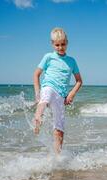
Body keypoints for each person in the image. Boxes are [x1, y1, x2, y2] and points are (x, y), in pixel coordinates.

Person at [33, 27, 82, 155]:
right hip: (48, 86)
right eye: (57, 45)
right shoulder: (48, 57)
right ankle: (37, 118)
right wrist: (37, 93)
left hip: (61, 95)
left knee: (59, 127)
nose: (60, 47)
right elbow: (36, 74)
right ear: (52, 44)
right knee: (45, 98)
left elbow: (79, 81)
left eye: (63, 44)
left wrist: (71, 94)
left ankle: (57, 156)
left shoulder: (72, 61)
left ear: (67, 42)